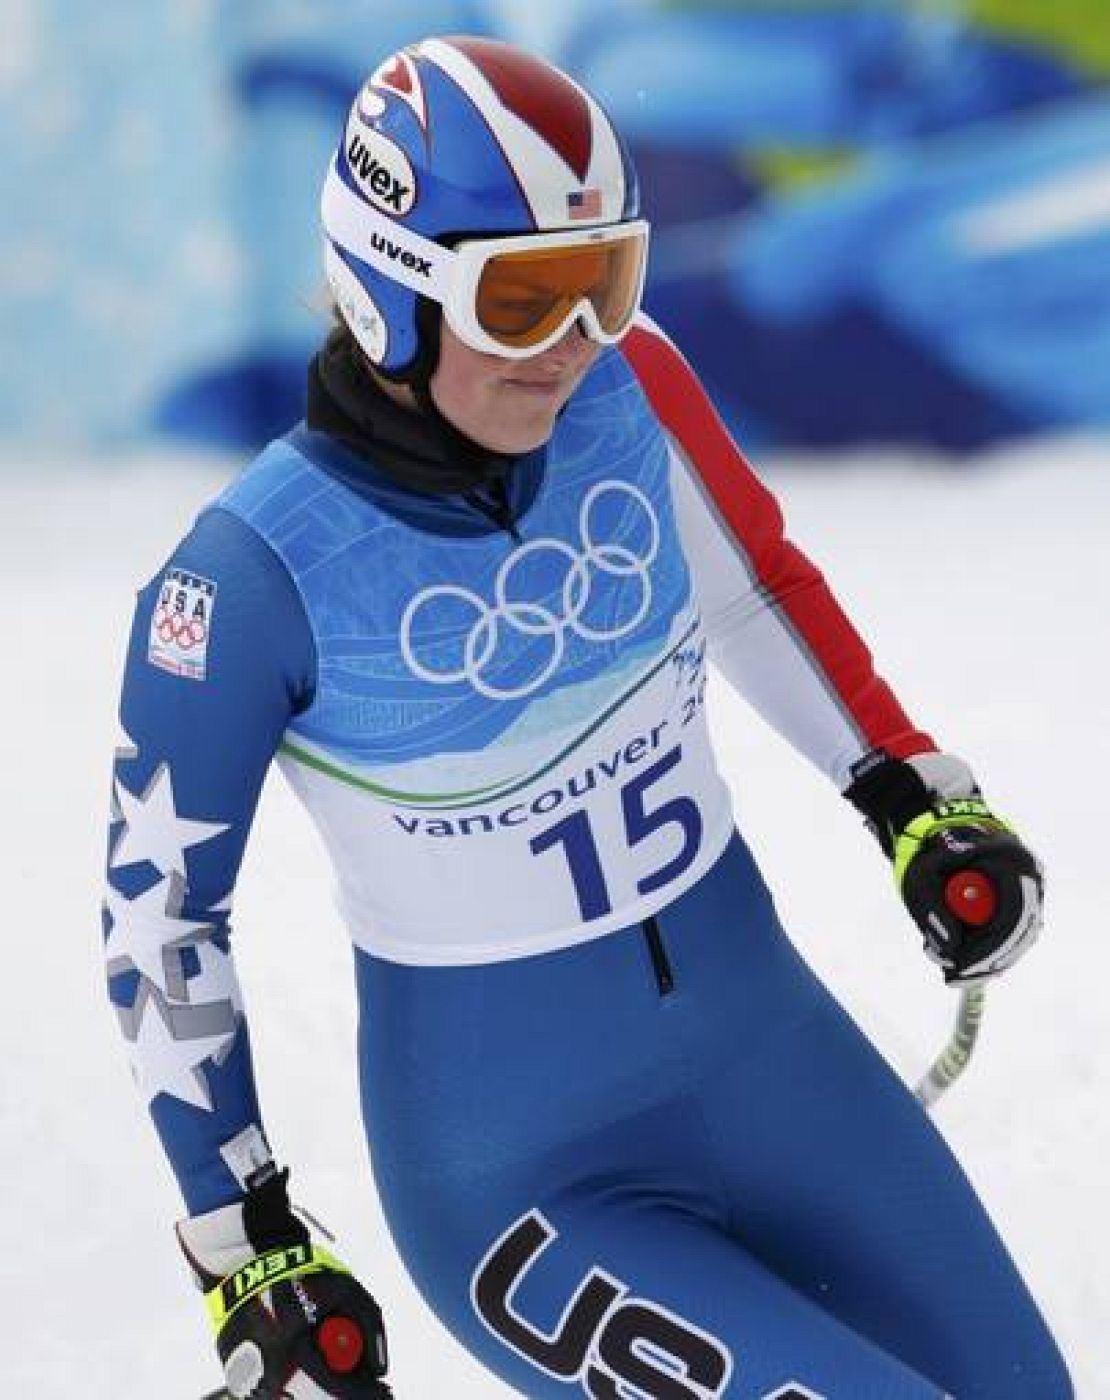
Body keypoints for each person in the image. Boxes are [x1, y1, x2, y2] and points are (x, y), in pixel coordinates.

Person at [103, 33, 1072, 1400]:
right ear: (393, 287)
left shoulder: (632, 386)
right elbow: (161, 920)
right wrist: (244, 1243)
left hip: (774, 1065)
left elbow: (754, 594)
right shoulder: (249, 576)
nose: (570, 346)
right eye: (522, 300)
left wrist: (910, 798)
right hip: (527, 1183)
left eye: (603, 280)